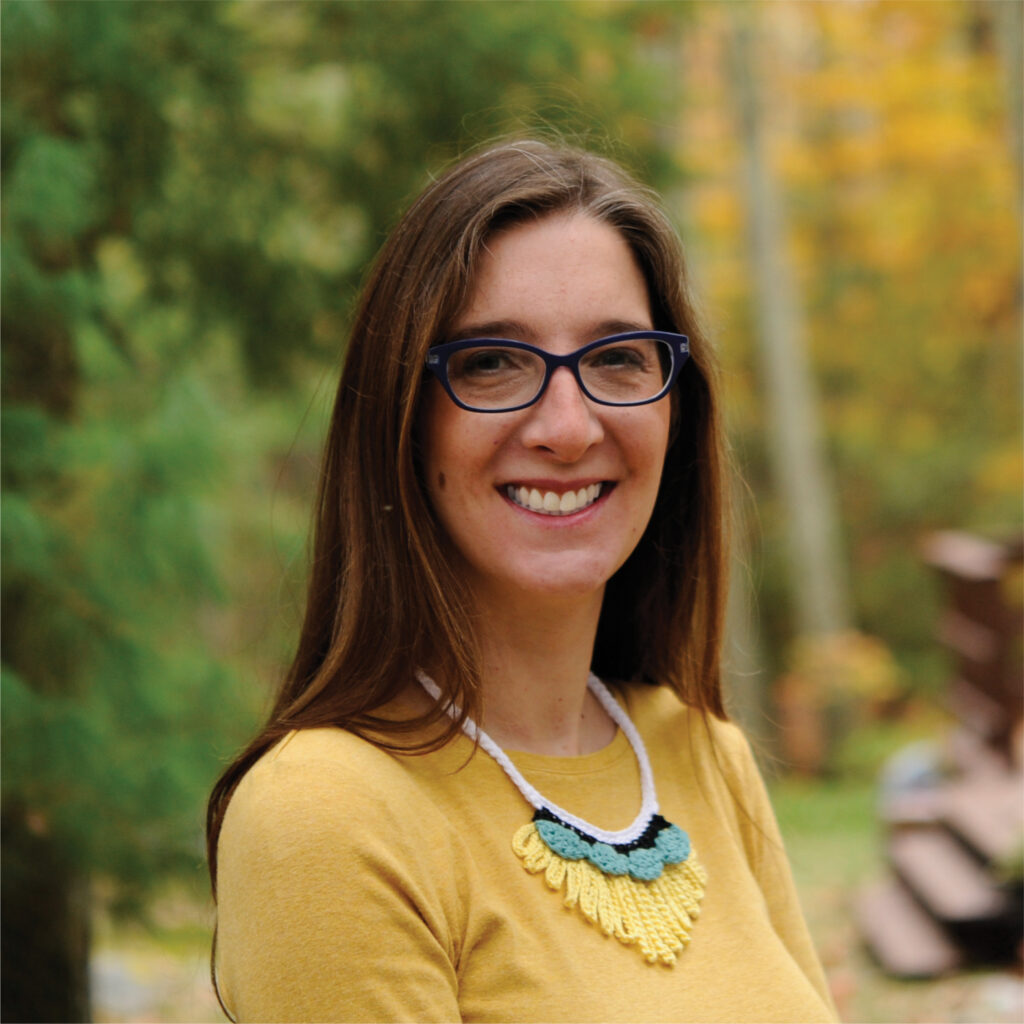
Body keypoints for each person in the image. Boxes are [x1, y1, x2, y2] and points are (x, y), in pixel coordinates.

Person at [206, 138, 837, 1023]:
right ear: (403, 418)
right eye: (492, 363)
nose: (568, 426)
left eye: (619, 357)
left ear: (674, 406)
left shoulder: (702, 752)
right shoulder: (327, 816)